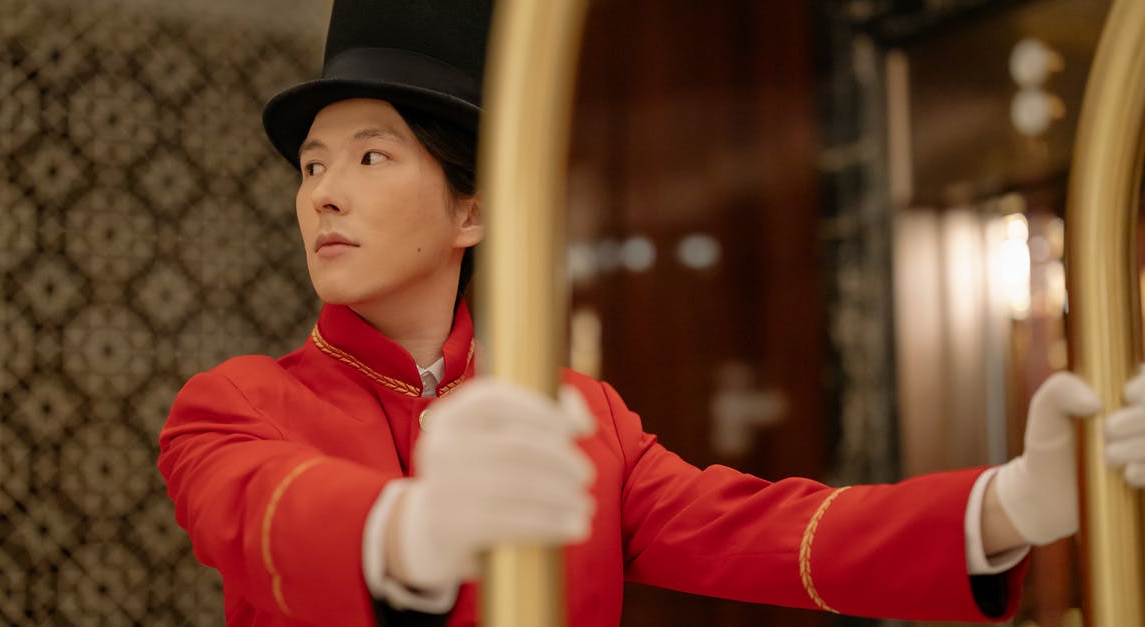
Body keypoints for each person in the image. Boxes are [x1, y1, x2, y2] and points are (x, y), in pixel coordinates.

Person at [156, 1, 1145, 625]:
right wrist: (414, 530)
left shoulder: (586, 425)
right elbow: (267, 520)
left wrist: (1013, 504)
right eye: (313, 165)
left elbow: (774, 534)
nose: (321, 193)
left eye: (370, 156)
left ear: (474, 208)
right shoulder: (230, 405)